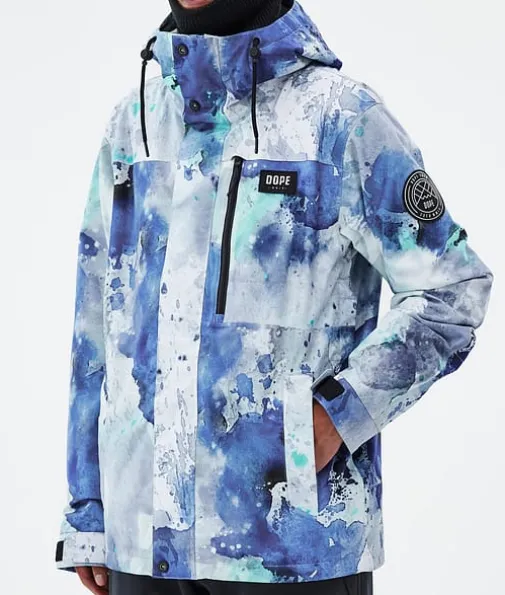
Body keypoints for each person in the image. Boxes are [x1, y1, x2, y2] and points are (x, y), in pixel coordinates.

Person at [54, 0, 494, 594]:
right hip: (140, 545)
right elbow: (96, 322)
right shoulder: (134, 123)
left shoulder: (341, 119)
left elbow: (452, 288)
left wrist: (340, 412)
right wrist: (87, 507)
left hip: (291, 544)